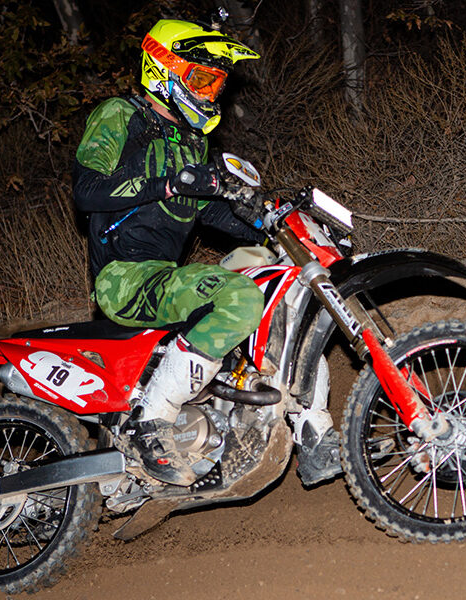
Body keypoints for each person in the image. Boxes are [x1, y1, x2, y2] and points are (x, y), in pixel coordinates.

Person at [74, 15, 342, 488]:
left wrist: (269, 221)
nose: (210, 92)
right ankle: (150, 421)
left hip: (165, 276)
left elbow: (210, 212)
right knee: (239, 297)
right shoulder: (121, 115)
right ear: (163, 69)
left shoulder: (190, 142)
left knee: (287, 301)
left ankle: (313, 433)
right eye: (201, 79)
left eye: (216, 83)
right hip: (125, 277)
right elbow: (87, 190)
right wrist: (170, 182)